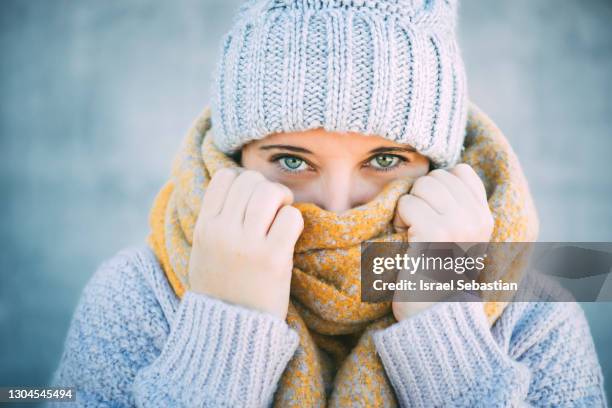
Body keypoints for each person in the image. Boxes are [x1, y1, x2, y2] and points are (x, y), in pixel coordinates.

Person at [49, 0, 607, 406]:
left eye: (386, 160)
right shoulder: (138, 296)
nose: (338, 209)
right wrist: (224, 333)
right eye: (292, 161)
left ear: (440, 168)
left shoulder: (534, 314)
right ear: (237, 157)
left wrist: (447, 338)